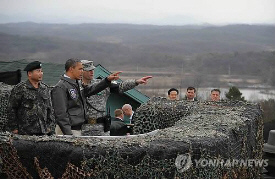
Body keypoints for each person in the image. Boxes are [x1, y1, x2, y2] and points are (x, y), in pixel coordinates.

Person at [51, 58, 121, 136]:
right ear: (71, 69)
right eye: (80, 69)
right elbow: (61, 114)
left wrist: (106, 81)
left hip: (77, 129)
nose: (82, 71)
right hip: (68, 130)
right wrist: (69, 135)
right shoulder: (61, 87)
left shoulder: (76, 84)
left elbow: (90, 90)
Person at [81, 60, 152, 131]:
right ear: (81, 71)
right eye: (88, 70)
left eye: (92, 69)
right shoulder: (75, 86)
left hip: (101, 127)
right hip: (83, 127)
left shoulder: (102, 84)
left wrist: (136, 82)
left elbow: (120, 87)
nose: (92, 72)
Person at [7, 61, 55, 135]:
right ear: (29, 73)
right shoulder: (20, 88)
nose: (41, 73)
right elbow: (11, 108)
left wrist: (50, 127)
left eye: (42, 71)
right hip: (25, 132)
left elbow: (50, 109)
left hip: (43, 131)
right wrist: (14, 128)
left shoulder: (45, 88)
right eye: (38, 71)